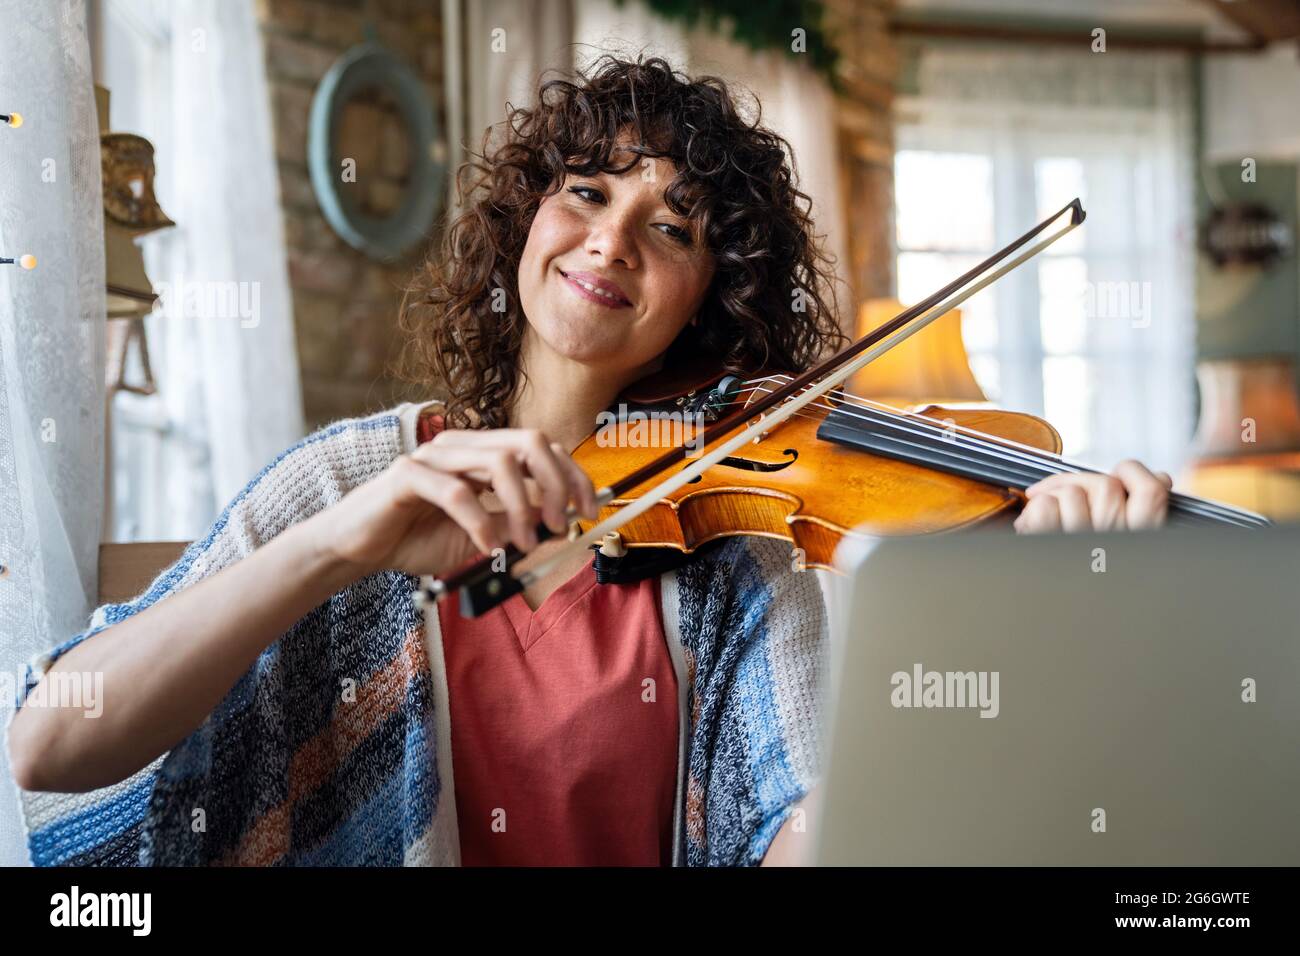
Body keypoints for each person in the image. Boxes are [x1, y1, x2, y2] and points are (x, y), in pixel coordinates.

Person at [6, 56, 1171, 867]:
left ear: (711, 302)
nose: (612, 238)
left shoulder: (732, 541)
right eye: (588, 191)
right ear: (528, 219)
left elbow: (808, 836)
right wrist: (341, 541)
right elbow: (50, 740)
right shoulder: (354, 475)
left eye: (674, 227)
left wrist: (1014, 638)